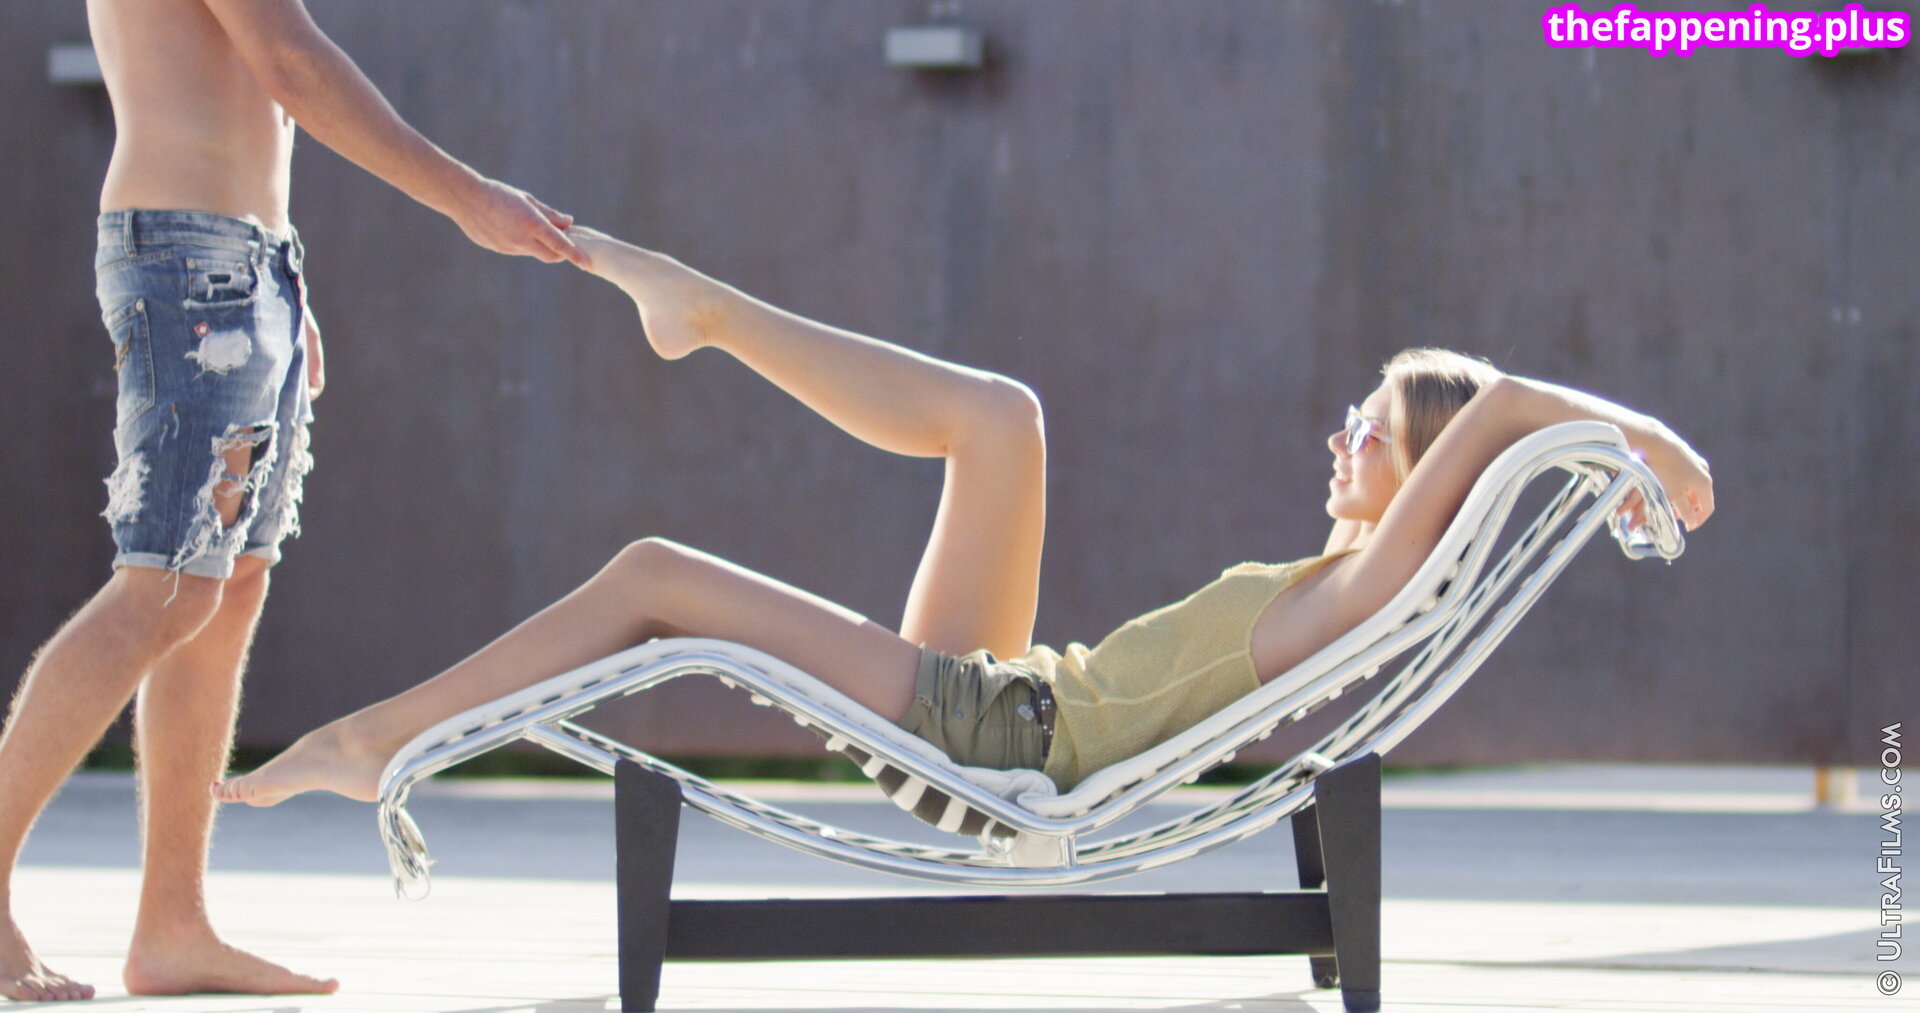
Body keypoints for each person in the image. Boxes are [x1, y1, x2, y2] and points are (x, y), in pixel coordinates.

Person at [214, 225, 1715, 814]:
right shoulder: (1342, 583)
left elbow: (1507, 407)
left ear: (1428, 478)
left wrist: (1650, 444)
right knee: (1004, 417)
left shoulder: (1363, 588)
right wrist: (1613, 445)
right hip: (1013, 702)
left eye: (1372, 432)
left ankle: (374, 739)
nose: (1340, 438)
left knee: (655, 572)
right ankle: (712, 312)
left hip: (1001, 742)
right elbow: (1499, 420)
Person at [0, 0, 587, 1002]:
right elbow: (291, 62)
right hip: (191, 259)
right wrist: (469, 198)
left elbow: (248, 85)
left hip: (247, 261)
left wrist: (280, 279)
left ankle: (173, 926)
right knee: (164, 587)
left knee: (224, 590)